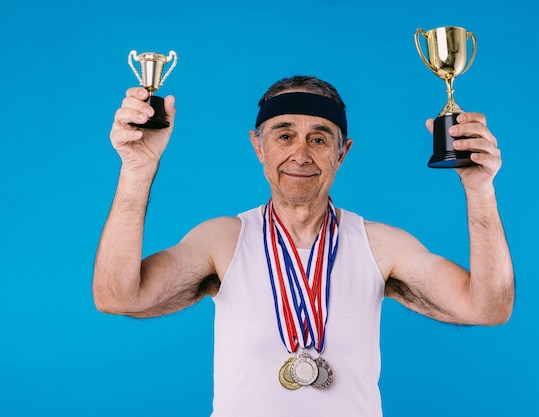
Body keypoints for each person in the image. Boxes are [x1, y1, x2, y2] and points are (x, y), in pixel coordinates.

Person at [93, 75, 514, 417]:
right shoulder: (222, 241)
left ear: (342, 152)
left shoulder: (380, 246)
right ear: (258, 145)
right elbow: (117, 296)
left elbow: (487, 307)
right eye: (283, 135)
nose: (300, 154)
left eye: (318, 138)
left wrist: (480, 190)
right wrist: (137, 170)